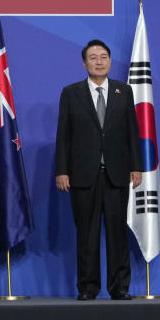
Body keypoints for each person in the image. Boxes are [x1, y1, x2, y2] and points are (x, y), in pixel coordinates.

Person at [55, 39, 142, 300]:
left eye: (103, 57)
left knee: (117, 235)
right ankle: (88, 287)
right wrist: (62, 170)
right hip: (83, 175)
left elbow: (132, 132)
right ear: (84, 63)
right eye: (93, 57)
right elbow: (64, 136)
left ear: (110, 61)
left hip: (117, 174)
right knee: (87, 235)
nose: (99, 61)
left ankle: (120, 288)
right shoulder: (71, 93)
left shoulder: (123, 91)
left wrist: (136, 167)